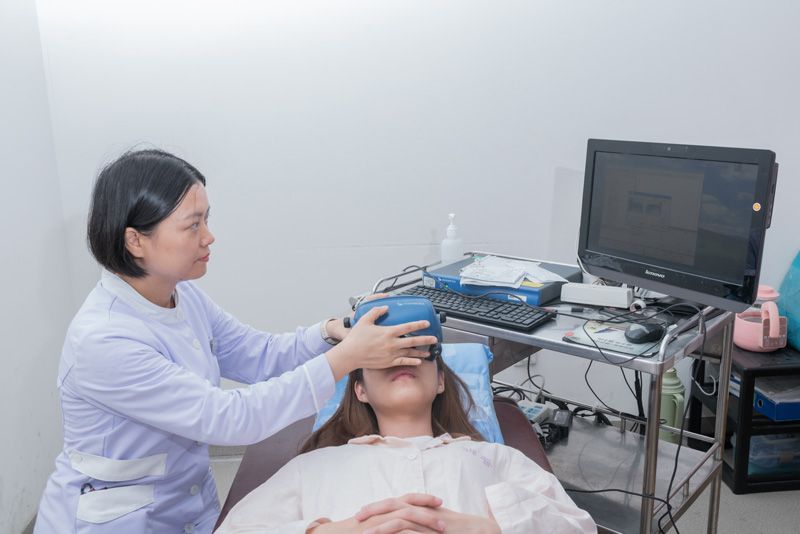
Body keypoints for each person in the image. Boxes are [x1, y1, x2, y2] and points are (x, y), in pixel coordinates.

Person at [34, 149, 438, 534]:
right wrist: (345, 359)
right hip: (115, 521)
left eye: (207, 220)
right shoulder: (104, 340)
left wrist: (329, 332)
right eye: (193, 225)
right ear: (135, 241)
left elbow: (257, 354)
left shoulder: (181, 294)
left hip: (186, 507)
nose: (209, 237)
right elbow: (229, 418)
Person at [216, 354, 597, 534]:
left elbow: (577, 529)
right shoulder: (314, 466)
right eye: (384, 356)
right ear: (360, 390)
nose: (403, 358)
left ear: (441, 381)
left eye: (420, 353)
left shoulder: (493, 458)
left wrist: (489, 529)